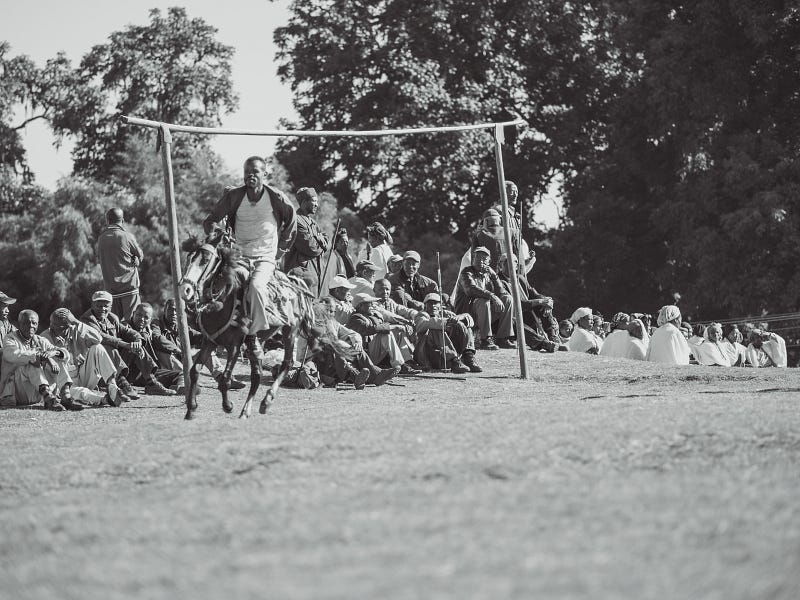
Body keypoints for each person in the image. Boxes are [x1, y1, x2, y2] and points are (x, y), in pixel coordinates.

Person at [202, 156, 297, 360]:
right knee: (223, 282)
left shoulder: (277, 198)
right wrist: (217, 233)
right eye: (247, 172)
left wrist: (280, 251)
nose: (250, 175)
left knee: (255, 286)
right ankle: (215, 330)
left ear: (265, 174)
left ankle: (254, 336)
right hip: (240, 255)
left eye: (255, 171)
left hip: (265, 257)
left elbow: (291, 222)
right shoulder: (234, 196)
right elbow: (211, 220)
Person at [41, 308, 128, 407]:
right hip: (62, 382)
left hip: (81, 373)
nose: (52, 327)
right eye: (52, 323)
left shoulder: (75, 330)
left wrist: (76, 322)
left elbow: (98, 339)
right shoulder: (45, 337)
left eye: (57, 326)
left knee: (97, 347)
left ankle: (113, 386)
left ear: (68, 326)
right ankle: (104, 400)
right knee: (80, 392)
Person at [155, 299, 246, 390]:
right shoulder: (157, 323)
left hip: (182, 360)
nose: (174, 313)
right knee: (166, 353)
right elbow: (158, 338)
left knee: (206, 351)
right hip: (166, 366)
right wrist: (178, 350)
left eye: (177, 310)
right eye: (171, 309)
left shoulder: (181, 326)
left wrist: (216, 339)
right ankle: (183, 382)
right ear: (165, 310)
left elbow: (198, 336)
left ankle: (224, 379)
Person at [312, 297, 399, 388]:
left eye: (333, 311)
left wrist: (356, 342)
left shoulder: (333, 323)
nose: (331, 314)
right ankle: (355, 376)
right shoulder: (311, 324)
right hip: (323, 361)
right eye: (328, 311)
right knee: (335, 347)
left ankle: (376, 375)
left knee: (356, 348)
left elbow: (352, 333)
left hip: (338, 359)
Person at [0, 310, 78, 410]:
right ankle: (49, 400)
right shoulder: (10, 338)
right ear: (19, 324)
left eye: (34, 323)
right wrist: (45, 358)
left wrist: (54, 353)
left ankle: (66, 397)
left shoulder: (40, 340)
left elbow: (64, 354)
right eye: (26, 323)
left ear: (37, 325)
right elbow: (13, 355)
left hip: (38, 393)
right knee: (31, 362)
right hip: (17, 392)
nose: (31, 326)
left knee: (58, 358)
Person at [80, 290, 144, 399]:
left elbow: (128, 332)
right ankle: (122, 382)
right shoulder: (87, 319)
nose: (102, 309)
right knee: (107, 346)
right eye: (99, 306)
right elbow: (101, 337)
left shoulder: (111, 318)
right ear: (92, 305)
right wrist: (126, 345)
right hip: (91, 364)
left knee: (139, 346)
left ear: (111, 307)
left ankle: (151, 380)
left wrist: (138, 341)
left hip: (112, 362)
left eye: (106, 306)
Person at [454, 246, 514, 350]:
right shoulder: (466, 272)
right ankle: (486, 339)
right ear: (473, 259)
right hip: (467, 313)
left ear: (489, 262)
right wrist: (492, 296)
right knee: (483, 301)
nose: (480, 261)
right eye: (477, 257)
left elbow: (501, 292)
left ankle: (503, 338)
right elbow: (471, 289)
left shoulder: (489, 275)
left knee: (508, 299)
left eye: (484, 259)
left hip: (484, 314)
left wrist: (494, 276)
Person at [346, 293, 420, 374]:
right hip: (363, 357)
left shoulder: (371, 316)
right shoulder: (355, 319)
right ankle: (399, 366)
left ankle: (407, 362)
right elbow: (371, 329)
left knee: (397, 332)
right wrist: (395, 326)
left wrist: (401, 325)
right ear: (360, 306)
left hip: (372, 354)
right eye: (370, 303)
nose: (373, 306)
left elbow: (384, 324)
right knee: (387, 334)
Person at [497, 254, 559, 352]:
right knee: (515, 321)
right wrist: (539, 301)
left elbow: (535, 294)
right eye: (506, 262)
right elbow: (516, 305)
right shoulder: (498, 281)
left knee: (542, 306)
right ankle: (543, 344)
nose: (510, 265)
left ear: (517, 266)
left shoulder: (520, 278)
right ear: (501, 265)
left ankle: (553, 337)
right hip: (508, 320)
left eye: (514, 262)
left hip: (525, 315)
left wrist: (547, 301)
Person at [413, 293, 482, 373]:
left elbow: (470, 320)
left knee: (467, 327)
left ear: (440, 305)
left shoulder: (446, 313)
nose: (433, 306)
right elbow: (424, 324)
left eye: (435, 303)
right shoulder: (421, 315)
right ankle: (453, 360)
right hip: (428, 355)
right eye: (430, 303)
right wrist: (447, 322)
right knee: (436, 329)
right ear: (425, 305)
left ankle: (468, 357)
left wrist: (460, 317)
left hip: (443, 357)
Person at [125, 304, 183, 394]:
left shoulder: (148, 331)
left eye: (146, 317)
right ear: (133, 314)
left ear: (150, 320)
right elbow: (132, 335)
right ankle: (152, 384)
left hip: (150, 371)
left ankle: (181, 388)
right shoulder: (125, 326)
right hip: (129, 372)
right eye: (139, 315)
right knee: (139, 342)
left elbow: (159, 340)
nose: (142, 319)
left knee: (181, 374)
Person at [97, 207, 144, 321]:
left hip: (111, 291)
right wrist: (136, 259)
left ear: (107, 221)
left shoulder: (101, 239)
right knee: (133, 323)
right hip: (129, 288)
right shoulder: (126, 236)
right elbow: (140, 255)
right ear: (122, 220)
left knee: (114, 324)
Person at [283, 187, 329, 297]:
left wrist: (319, 241)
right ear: (304, 202)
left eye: (317, 202)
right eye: (314, 201)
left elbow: (326, 241)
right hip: (300, 278)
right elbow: (311, 248)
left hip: (315, 278)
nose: (317, 205)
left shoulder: (313, 223)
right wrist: (321, 243)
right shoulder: (296, 221)